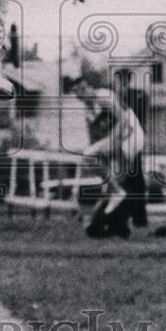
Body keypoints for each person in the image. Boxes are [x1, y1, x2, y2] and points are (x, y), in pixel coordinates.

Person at [70, 74, 145, 238]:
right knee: (91, 160)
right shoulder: (88, 113)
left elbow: (124, 122)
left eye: (83, 89)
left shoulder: (103, 96)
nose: (81, 94)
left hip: (131, 136)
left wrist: (112, 145)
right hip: (117, 141)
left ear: (91, 87)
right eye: (77, 92)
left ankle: (110, 222)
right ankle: (118, 226)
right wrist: (104, 159)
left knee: (118, 180)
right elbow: (95, 139)